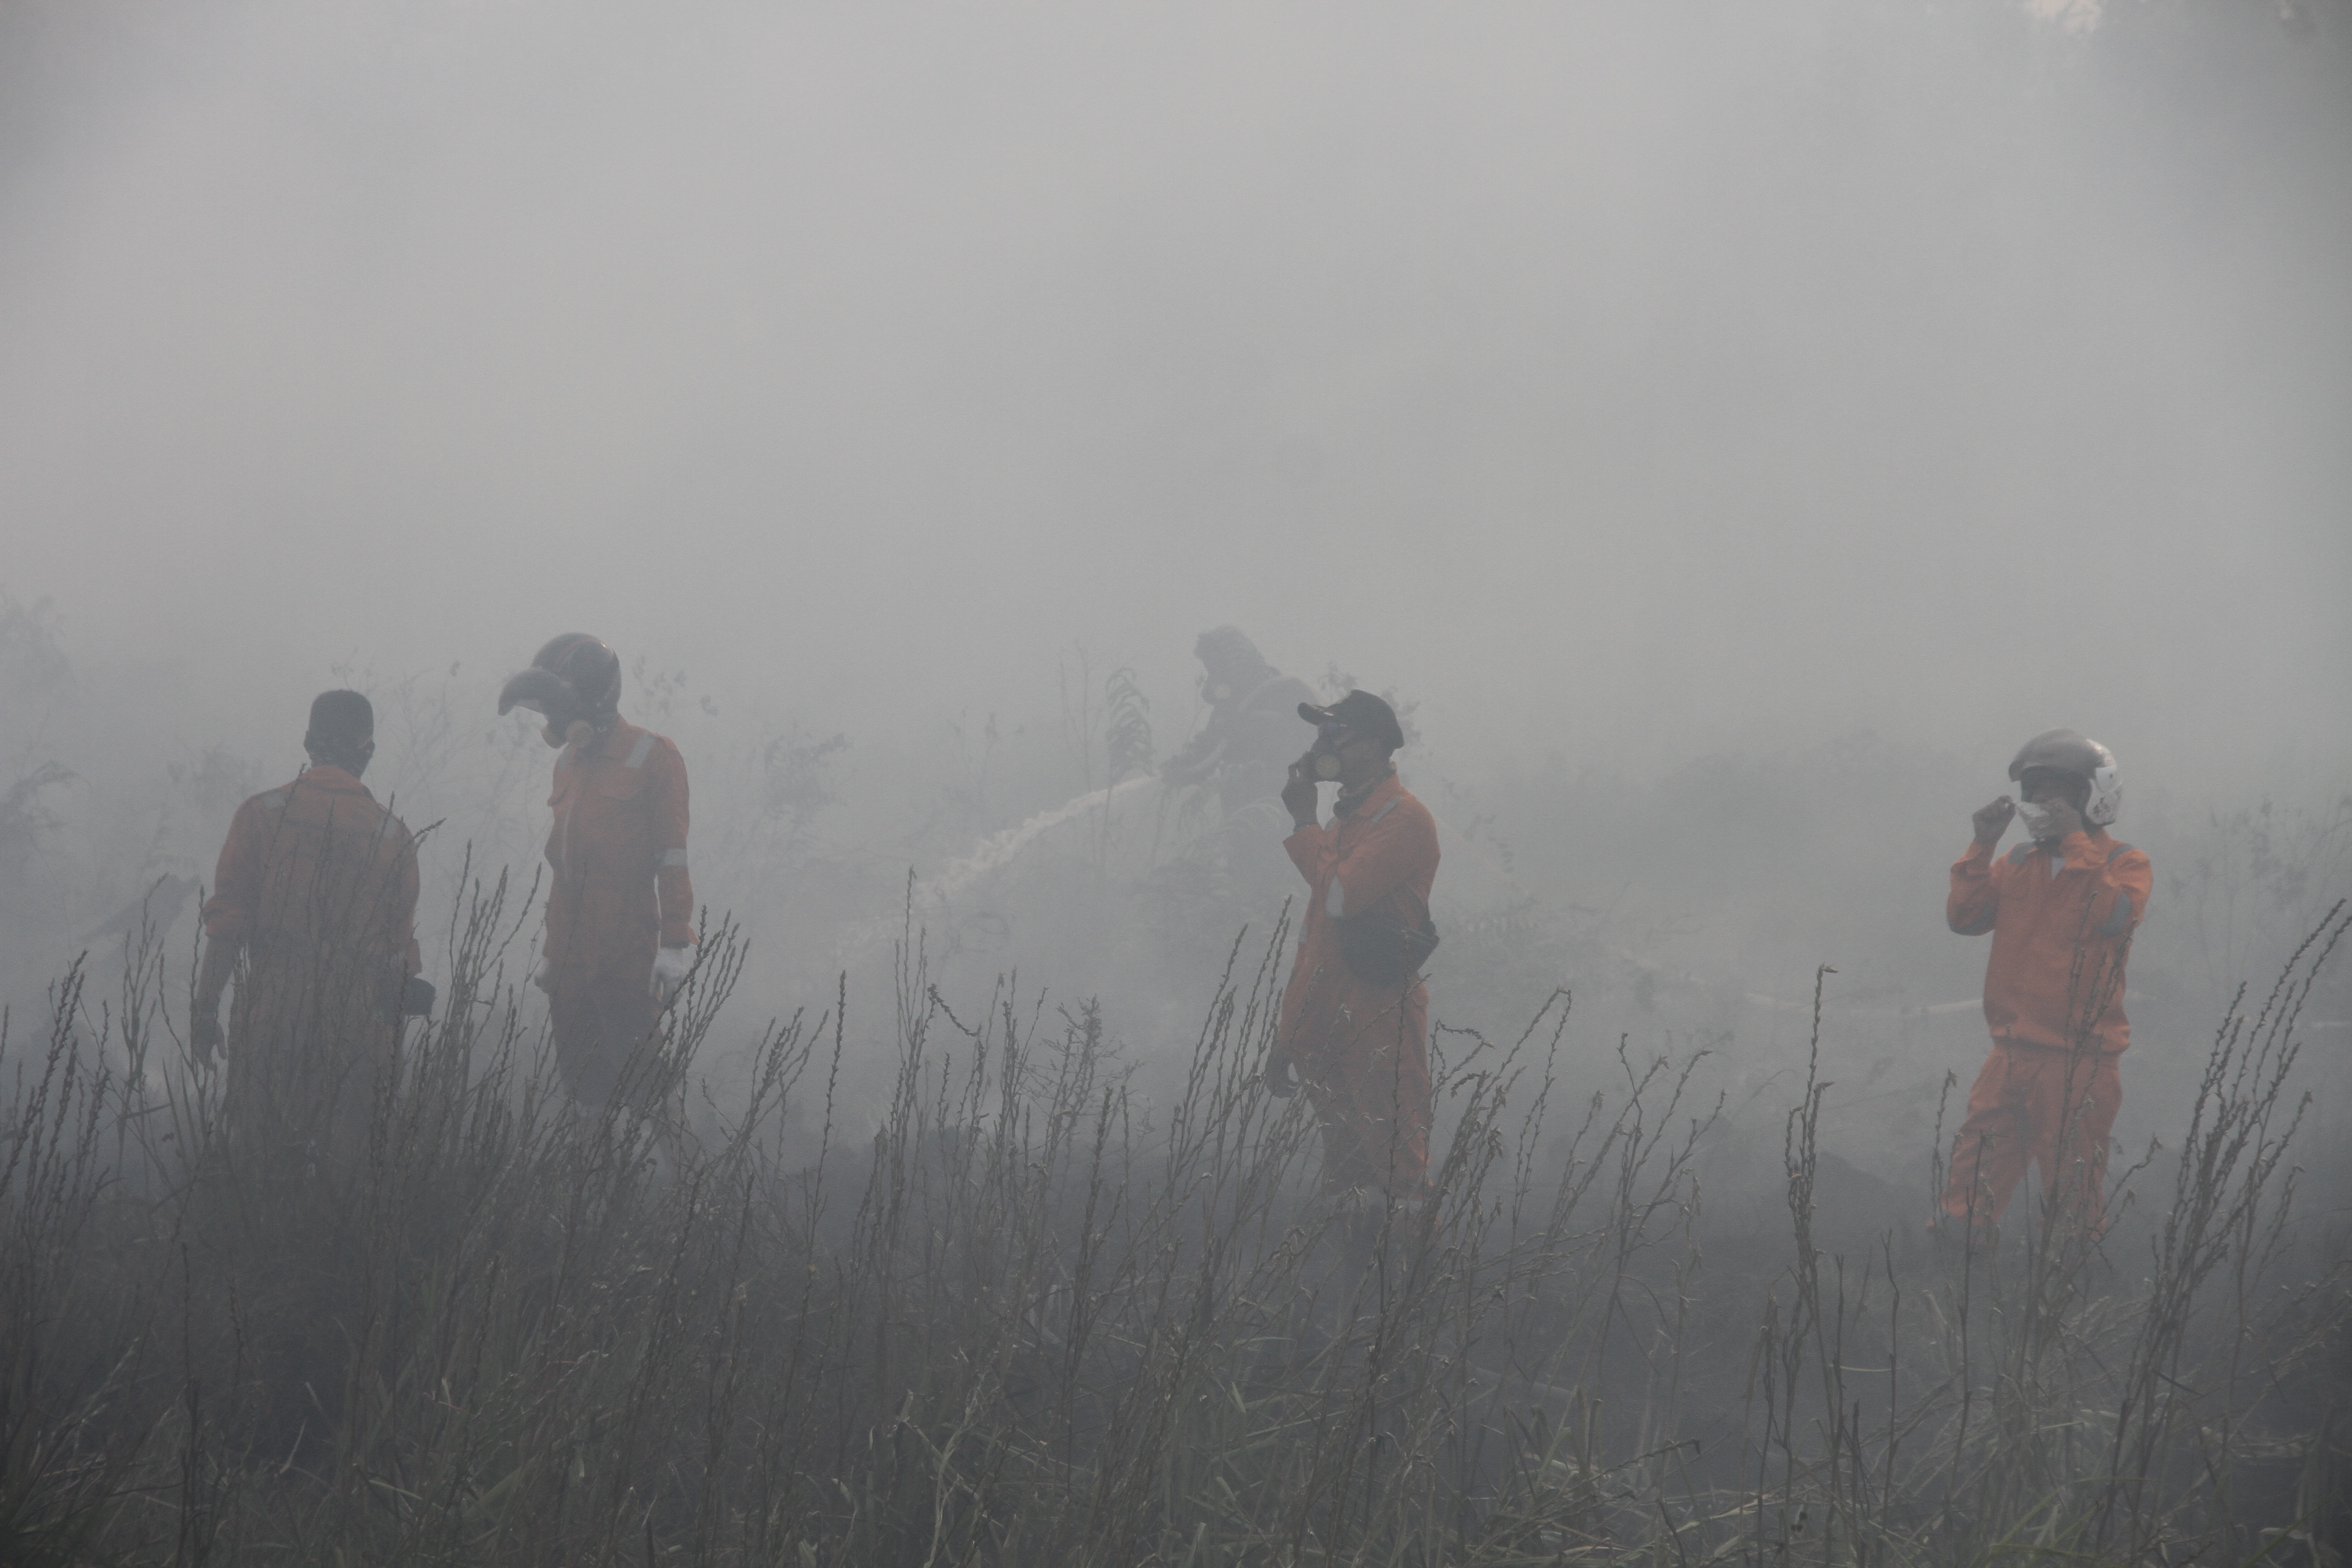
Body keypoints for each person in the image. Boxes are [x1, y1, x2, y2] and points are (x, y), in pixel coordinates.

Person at [1939, 728, 2151, 1243]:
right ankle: (1955, 1270)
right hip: (2010, 1051)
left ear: (2091, 799)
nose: (2041, 803)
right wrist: (1983, 843)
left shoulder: (2125, 864)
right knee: (1971, 1181)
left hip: (2080, 1060)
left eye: (2058, 793)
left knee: (2073, 1193)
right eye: (2035, 792)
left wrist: (2077, 844)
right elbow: (1964, 919)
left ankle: (2069, 1297)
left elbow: (2108, 919)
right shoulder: (2017, 863)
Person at [194, 690, 422, 1142]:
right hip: (354, 1034)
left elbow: (226, 930)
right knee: (342, 1177)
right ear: (368, 751)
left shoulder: (261, 815)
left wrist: (204, 1013)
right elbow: (398, 964)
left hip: (270, 1019)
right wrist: (388, 1065)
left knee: (258, 1160)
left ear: (307, 742)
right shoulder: (394, 837)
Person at [498, 634, 696, 1112]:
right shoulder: (567, 762)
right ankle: (596, 1186)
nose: (553, 722)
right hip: (571, 965)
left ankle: (698, 1187)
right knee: (586, 1100)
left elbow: (672, 856)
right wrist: (552, 952)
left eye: (558, 707)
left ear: (592, 700)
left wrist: (673, 943)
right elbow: (564, 870)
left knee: (653, 1096)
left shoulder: (654, 756)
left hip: (626, 956)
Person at [1264, 689, 1440, 1205]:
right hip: (1323, 1021)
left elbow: (1341, 897)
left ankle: (1416, 1276)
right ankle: (1358, 1276)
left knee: (1397, 1165)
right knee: (1344, 1170)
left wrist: (1302, 821)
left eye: (1335, 733)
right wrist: (1288, 1033)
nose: (1323, 743)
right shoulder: (1345, 821)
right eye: (1321, 733)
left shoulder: (1404, 819)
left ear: (1375, 747)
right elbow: (1314, 937)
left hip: (1377, 1019)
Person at [1160, 627, 1318, 812]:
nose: (1214, 678)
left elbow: (1311, 745)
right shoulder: (1229, 707)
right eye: (1211, 670)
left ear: (1238, 663)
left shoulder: (1288, 692)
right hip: (1239, 816)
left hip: (1286, 811)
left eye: (1218, 668)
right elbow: (1210, 752)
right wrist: (1182, 769)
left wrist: (1253, 730)